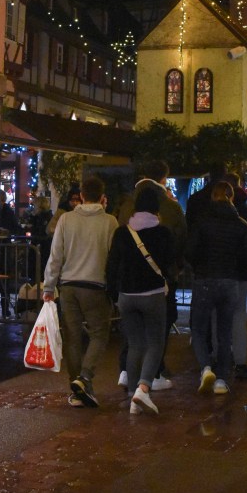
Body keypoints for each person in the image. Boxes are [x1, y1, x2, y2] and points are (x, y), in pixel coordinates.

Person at [41, 175, 118, 407]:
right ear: (103, 197)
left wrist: (48, 286)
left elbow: (56, 256)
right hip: (95, 286)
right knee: (98, 334)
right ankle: (85, 377)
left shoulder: (66, 220)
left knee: (73, 338)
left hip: (68, 287)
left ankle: (76, 389)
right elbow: (113, 259)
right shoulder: (110, 222)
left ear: (81, 196)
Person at [116, 159, 187, 390]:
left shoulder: (126, 205)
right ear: (164, 179)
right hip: (159, 281)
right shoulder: (172, 208)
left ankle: (127, 372)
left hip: (128, 281)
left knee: (133, 334)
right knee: (158, 330)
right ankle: (152, 376)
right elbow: (179, 243)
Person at [107, 186, 176, 416]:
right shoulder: (163, 233)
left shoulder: (122, 232)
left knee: (135, 344)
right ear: (156, 207)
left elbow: (112, 265)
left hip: (126, 296)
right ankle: (144, 388)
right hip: (153, 295)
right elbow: (170, 264)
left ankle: (133, 398)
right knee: (155, 343)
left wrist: (113, 293)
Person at [186, 180, 247, 395]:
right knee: (225, 332)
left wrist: (198, 267)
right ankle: (222, 380)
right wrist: (235, 268)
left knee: (199, 328)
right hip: (230, 281)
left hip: (205, 279)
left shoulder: (202, 221)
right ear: (231, 197)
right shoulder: (241, 224)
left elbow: (190, 252)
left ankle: (206, 366)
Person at [224, 173, 247, 379]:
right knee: (238, 316)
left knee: (218, 316)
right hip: (239, 274)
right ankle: (240, 361)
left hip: (217, 274)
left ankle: (218, 360)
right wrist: (246, 266)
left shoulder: (208, 214)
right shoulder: (246, 215)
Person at [185, 161, 226, 230]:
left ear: (210, 175)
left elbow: (189, 223)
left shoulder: (195, 198)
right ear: (224, 176)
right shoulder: (227, 200)